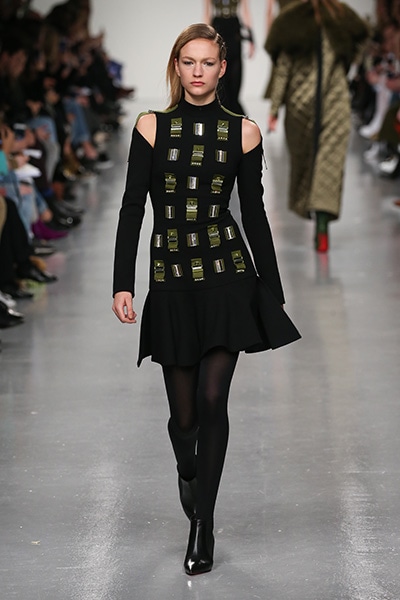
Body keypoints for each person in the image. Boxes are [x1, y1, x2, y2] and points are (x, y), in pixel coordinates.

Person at [112, 23, 300, 576]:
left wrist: (272, 289)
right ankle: (188, 470)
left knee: (214, 400)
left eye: (208, 62)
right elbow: (132, 207)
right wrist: (123, 283)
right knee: (184, 416)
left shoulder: (243, 132)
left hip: (225, 275)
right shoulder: (151, 127)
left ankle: (204, 524)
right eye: (188, 61)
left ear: (223, 69)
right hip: (171, 276)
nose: (198, 71)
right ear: (177, 66)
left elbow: (254, 214)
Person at [265, 0, 369, 252]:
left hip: (302, 102)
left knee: (309, 162)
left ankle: (316, 218)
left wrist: (274, 108)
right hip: (334, 98)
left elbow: (283, 68)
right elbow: (362, 38)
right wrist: (347, 62)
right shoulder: (341, 15)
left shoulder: (291, 20)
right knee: (328, 163)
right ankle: (322, 225)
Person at [203, 0, 254, 114]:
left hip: (234, 30)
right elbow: (207, 14)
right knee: (220, 76)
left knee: (235, 77)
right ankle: (224, 113)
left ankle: (235, 114)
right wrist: (205, 38)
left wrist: (251, 39)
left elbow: (246, 12)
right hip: (218, 29)